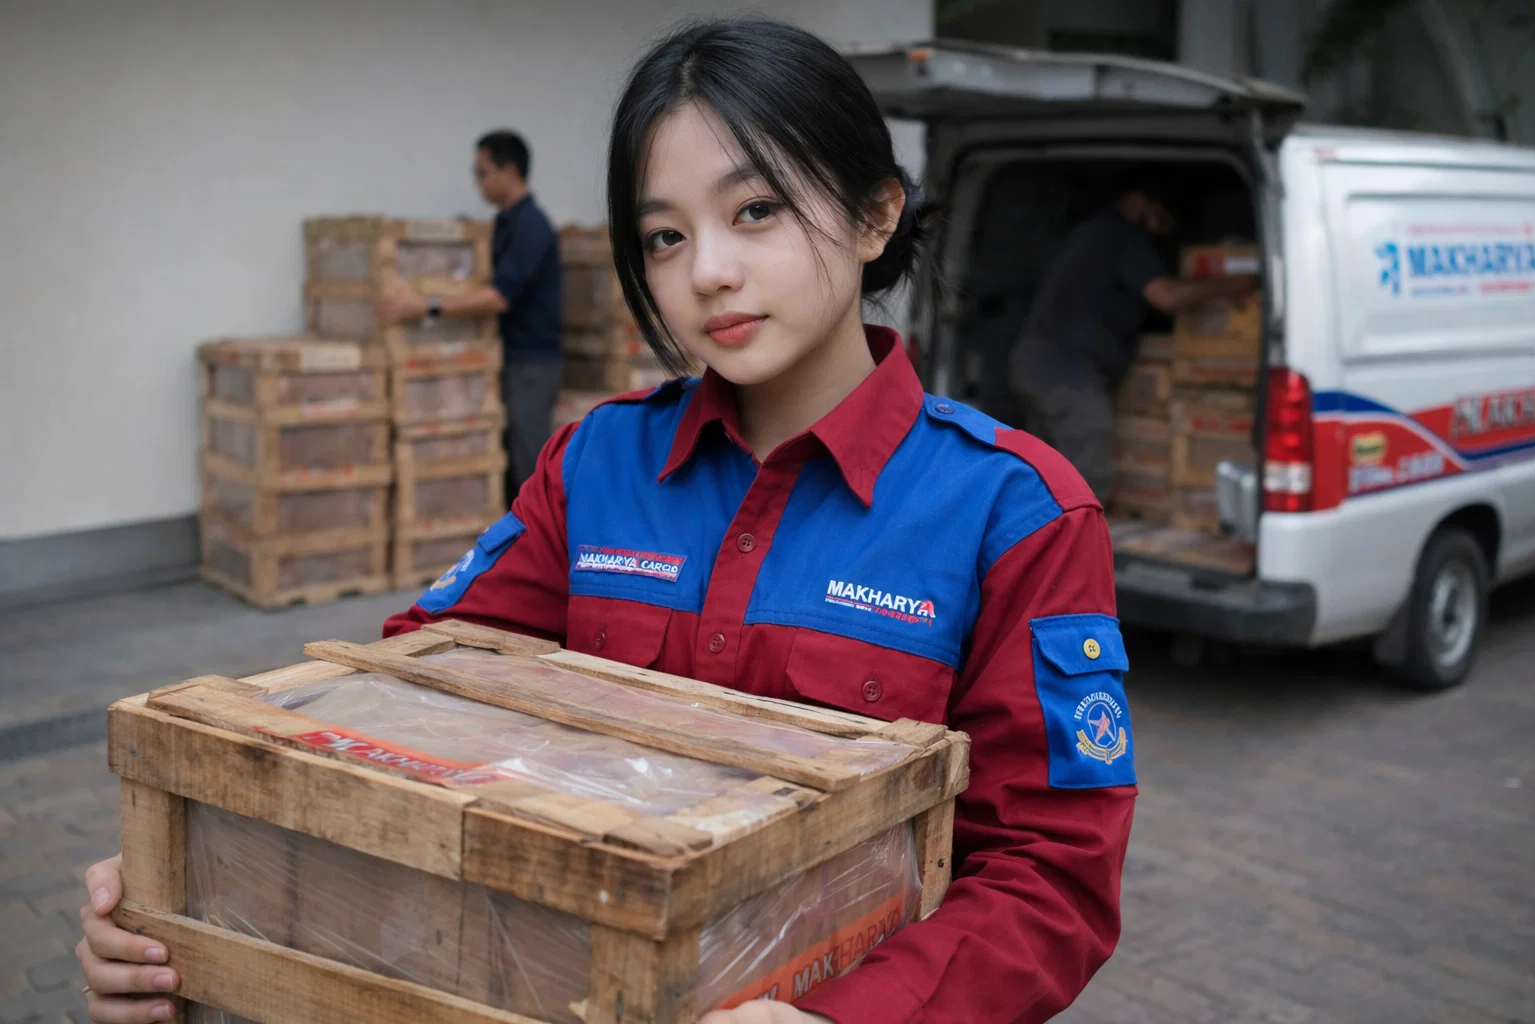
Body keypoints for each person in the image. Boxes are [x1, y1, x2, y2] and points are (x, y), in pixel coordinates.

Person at [76, 19, 1136, 1024]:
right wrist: (195, 876)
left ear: (874, 215)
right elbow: (407, 702)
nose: (706, 270)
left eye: (755, 210)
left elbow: (1052, 876)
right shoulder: (596, 464)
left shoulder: (1017, 514)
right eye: (664, 237)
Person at [1009, 173, 1259, 502]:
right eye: (1160, 217)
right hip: (1065, 375)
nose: (1162, 229)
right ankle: (1076, 550)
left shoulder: (1091, 232)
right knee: (1087, 482)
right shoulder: (1122, 236)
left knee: (1046, 477)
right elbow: (1166, 296)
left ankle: (1037, 546)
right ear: (1137, 202)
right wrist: (1236, 285)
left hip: (1035, 366)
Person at [377, 129, 564, 494]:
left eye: (481, 173)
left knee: (529, 467)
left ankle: (544, 548)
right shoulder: (502, 224)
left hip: (532, 364)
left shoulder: (531, 226)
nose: (478, 183)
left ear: (508, 171)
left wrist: (427, 307)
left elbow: (497, 298)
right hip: (505, 358)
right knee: (507, 465)